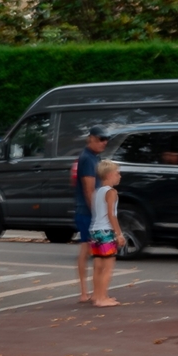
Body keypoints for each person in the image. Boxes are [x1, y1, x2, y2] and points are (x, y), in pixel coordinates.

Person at [71, 124, 108, 302]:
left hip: (88, 211)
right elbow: (89, 189)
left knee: (92, 250)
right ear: (91, 138)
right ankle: (86, 292)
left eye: (106, 139)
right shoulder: (87, 158)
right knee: (88, 250)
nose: (104, 142)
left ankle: (92, 292)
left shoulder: (93, 157)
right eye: (101, 139)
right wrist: (97, 213)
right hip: (87, 212)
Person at [86, 162, 123, 306]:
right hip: (106, 232)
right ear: (109, 175)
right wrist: (119, 234)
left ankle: (98, 295)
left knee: (98, 266)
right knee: (108, 266)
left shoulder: (97, 192)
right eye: (117, 173)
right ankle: (102, 299)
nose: (119, 176)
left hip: (94, 230)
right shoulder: (111, 192)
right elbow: (111, 215)